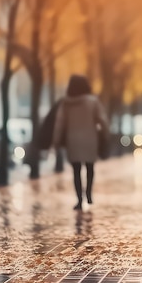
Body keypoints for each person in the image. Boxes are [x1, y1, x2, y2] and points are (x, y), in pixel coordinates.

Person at [53, 75, 107, 210]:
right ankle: (88, 193)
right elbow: (102, 120)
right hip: (90, 139)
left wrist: (56, 140)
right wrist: (105, 134)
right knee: (90, 168)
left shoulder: (66, 103)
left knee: (76, 171)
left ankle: (79, 199)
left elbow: (60, 123)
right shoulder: (93, 101)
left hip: (73, 140)